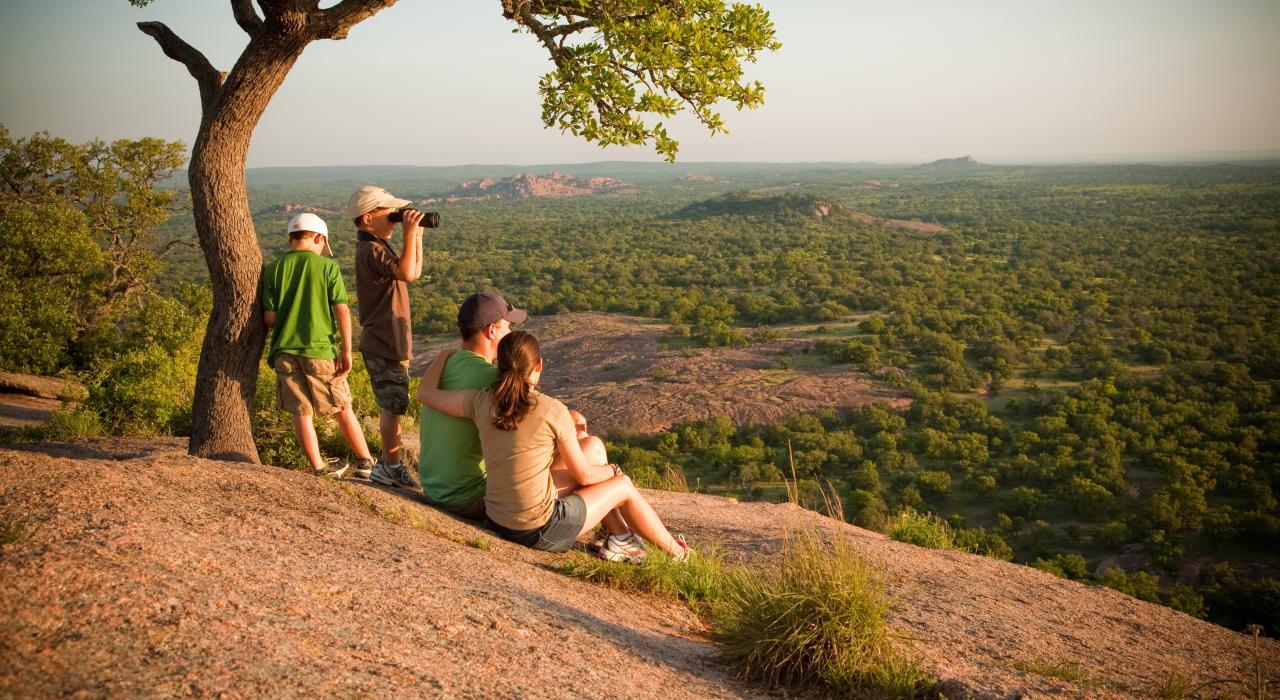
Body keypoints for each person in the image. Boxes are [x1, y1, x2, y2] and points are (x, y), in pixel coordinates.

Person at [417, 330, 688, 563]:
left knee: (592, 446)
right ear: (539, 366)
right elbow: (584, 476)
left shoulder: (480, 402)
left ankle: (620, 538)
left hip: (497, 517)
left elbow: (426, 394)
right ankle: (678, 555)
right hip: (539, 529)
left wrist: (444, 355)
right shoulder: (552, 409)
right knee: (624, 485)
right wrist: (614, 470)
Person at [261, 212, 377, 478]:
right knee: (341, 407)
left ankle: (318, 468)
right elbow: (343, 311)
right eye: (323, 245)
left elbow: (270, 318)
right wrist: (347, 350)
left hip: (284, 352)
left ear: (292, 238)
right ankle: (366, 463)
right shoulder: (327, 268)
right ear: (318, 238)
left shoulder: (273, 269)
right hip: (319, 350)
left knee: (301, 413)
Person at [417, 292, 527, 520]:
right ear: (492, 331)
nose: (511, 333)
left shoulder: (444, 366)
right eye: (508, 327)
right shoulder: (493, 379)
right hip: (468, 498)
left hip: (434, 489)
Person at [349, 185, 424, 488]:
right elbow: (406, 273)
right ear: (368, 218)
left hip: (389, 340)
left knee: (396, 404)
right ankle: (389, 466)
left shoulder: (377, 245)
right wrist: (408, 234)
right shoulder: (371, 249)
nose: (395, 219)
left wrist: (415, 235)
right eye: (390, 214)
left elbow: (413, 272)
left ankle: (390, 464)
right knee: (392, 406)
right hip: (383, 340)